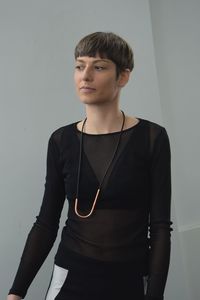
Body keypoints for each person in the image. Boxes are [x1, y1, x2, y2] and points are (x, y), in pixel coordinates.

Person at [7, 31, 172, 300]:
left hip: (130, 279)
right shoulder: (61, 141)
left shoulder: (152, 138)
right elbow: (46, 223)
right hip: (71, 275)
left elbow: (161, 227)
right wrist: (16, 292)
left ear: (123, 76)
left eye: (99, 67)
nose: (85, 75)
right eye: (79, 66)